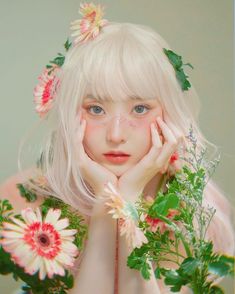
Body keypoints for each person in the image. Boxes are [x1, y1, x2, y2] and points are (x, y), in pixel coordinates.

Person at [0, 3, 234, 293]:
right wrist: (105, 207)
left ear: (170, 115)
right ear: (69, 112)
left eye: (139, 108)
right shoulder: (24, 199)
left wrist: (128, 198)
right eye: (96, 109)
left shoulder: (198, 209)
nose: (116, 134)